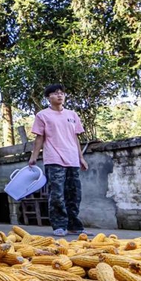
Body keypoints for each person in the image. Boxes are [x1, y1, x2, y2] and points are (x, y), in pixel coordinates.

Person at [28, 83, 89, 236]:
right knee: (57, 195)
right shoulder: (43, 115)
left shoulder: (72, 115)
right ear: (48, 97)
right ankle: (59, 226)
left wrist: (81, 157)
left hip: (72, 159)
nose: (59, 95)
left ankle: (74, 225)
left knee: (74, 194)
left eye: (62, 93)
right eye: (55, 93)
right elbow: (39, 137)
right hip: (54, 159)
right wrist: (34, 157)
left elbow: (75, 137)